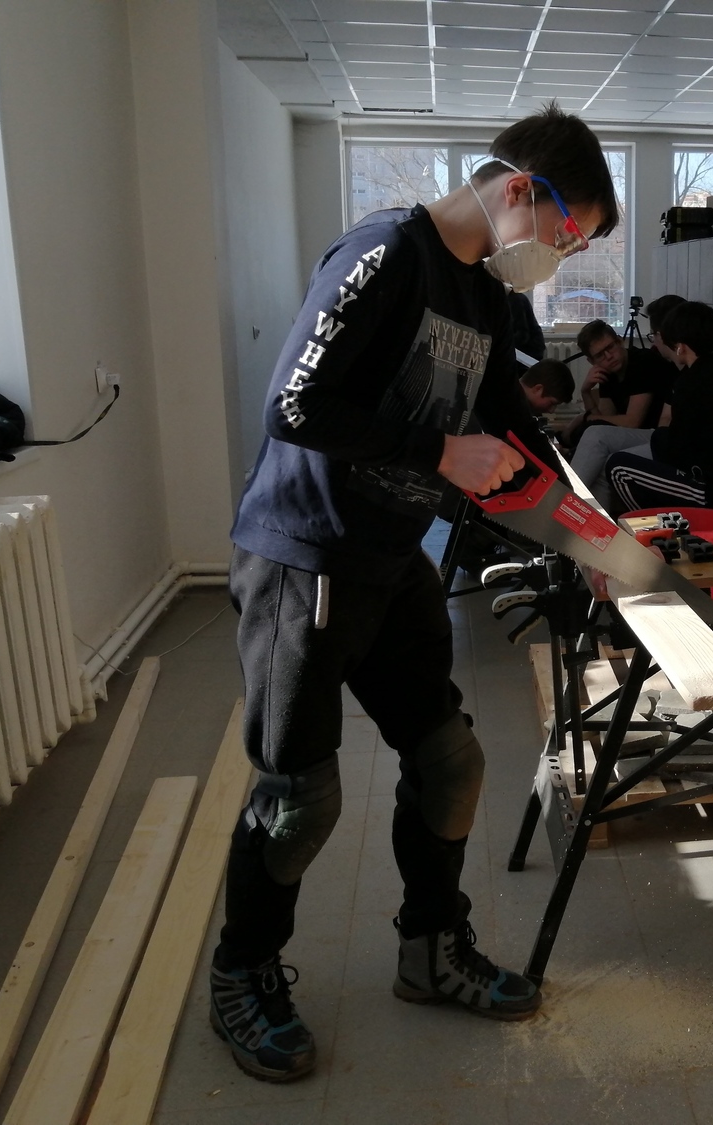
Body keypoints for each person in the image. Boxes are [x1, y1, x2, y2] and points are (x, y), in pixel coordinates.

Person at [216, 104, 617, 1083]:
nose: (563, 257)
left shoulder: (481, 292)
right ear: (520, 189)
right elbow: (293, 405)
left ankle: (430, 950)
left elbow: (510, 429)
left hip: (393, 558)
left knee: (449, 761)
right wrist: (437, 450)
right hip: (305, 557)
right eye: (568, 234)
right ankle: (241, 974)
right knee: (299, 800)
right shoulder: (384, 253)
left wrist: (591, 538)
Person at [605, 301, 713, 516]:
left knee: (618, 467)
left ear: (680, 346)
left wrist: (660, 439)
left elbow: (678, 451)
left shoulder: (691, 382)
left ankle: (656, 531)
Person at [566, 294, 686, 511]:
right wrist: (585, 392)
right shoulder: (608, 373)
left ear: (620, 341)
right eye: (600, 355)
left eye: (610, 347)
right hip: (636, 436)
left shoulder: (642, 363)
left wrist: (590, 417)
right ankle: (593, 525)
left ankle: (564, 506)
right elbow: (606, 419)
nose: (609, 356)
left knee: (594, 435)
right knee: (594, 438)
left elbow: (631, 422)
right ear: (591, 361)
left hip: (652, 433)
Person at [507, 290, 545, 361]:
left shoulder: (515, 299)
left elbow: (522, 334)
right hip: (531, 346)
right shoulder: (514, 297)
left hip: (530, 350)